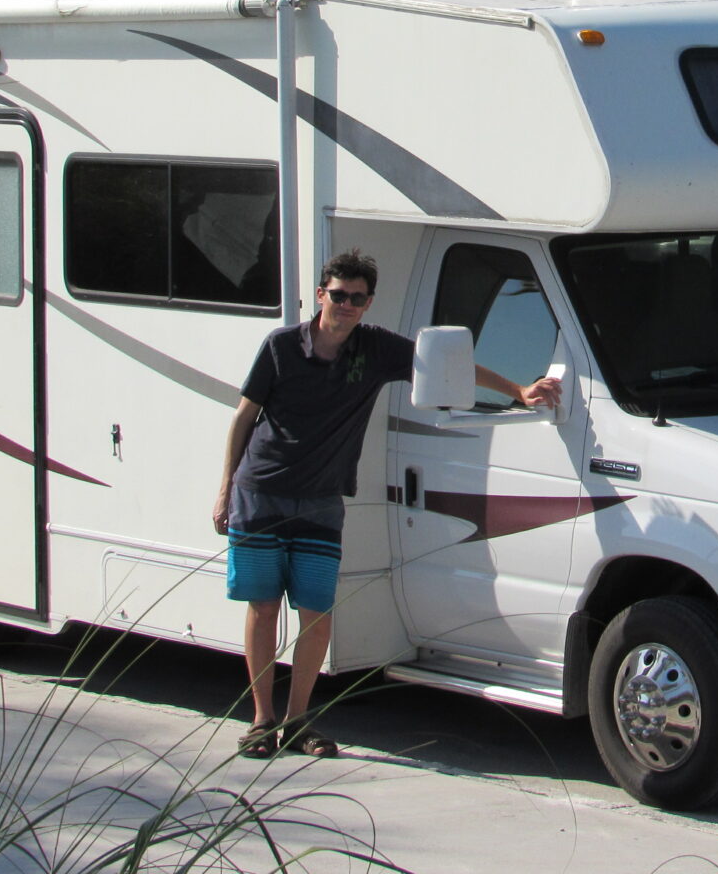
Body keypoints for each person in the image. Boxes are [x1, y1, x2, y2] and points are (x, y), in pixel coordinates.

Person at [214, 247, 561, 758]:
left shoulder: (374, 350)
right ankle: (262, 721)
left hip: (322, 500)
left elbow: (450, 365)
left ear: (369, 302)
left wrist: (518, 390)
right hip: (260, 491)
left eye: (357, 298)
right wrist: (225, 488)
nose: (347, 305)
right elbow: (245, 418)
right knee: (263, 607)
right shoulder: (282, 346)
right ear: (320, 294)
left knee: (317, 612)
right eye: (338, 295)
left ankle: (298, 721)